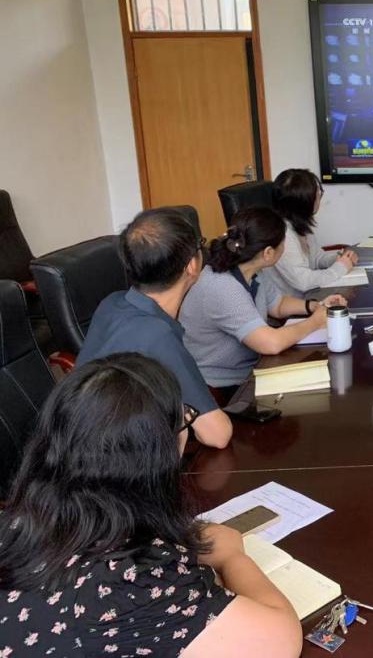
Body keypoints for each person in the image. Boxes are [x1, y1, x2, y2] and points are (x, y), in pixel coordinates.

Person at [0, 354, 303, 656]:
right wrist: (232, 556)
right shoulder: (133, 582)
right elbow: (278, 642)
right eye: (183, 421)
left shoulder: (15, 525)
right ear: (158, 455)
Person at [78, 207, 232, 448]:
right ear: (191, 266)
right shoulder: (156, 334)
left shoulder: (111, 303)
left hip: (74, 446)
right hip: (116, 460)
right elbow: (217, 435)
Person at [180, 207, 347, 397]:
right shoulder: (223, 287)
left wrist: (314, 306)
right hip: (222, 388)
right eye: (283, 243)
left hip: (250, 368)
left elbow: (277, 305)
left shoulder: (252, 269)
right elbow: (271, 343)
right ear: (268, 253)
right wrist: (315, 322)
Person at [267, 168, 359, 298]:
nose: (319, 196)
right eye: (318, 192)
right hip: (294, 302)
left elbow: (316, 258)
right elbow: (303, 282)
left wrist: (339, 258)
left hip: (309, 295)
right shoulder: (283, 235)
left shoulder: (299, 223)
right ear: (305, 201)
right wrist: (340, 268)